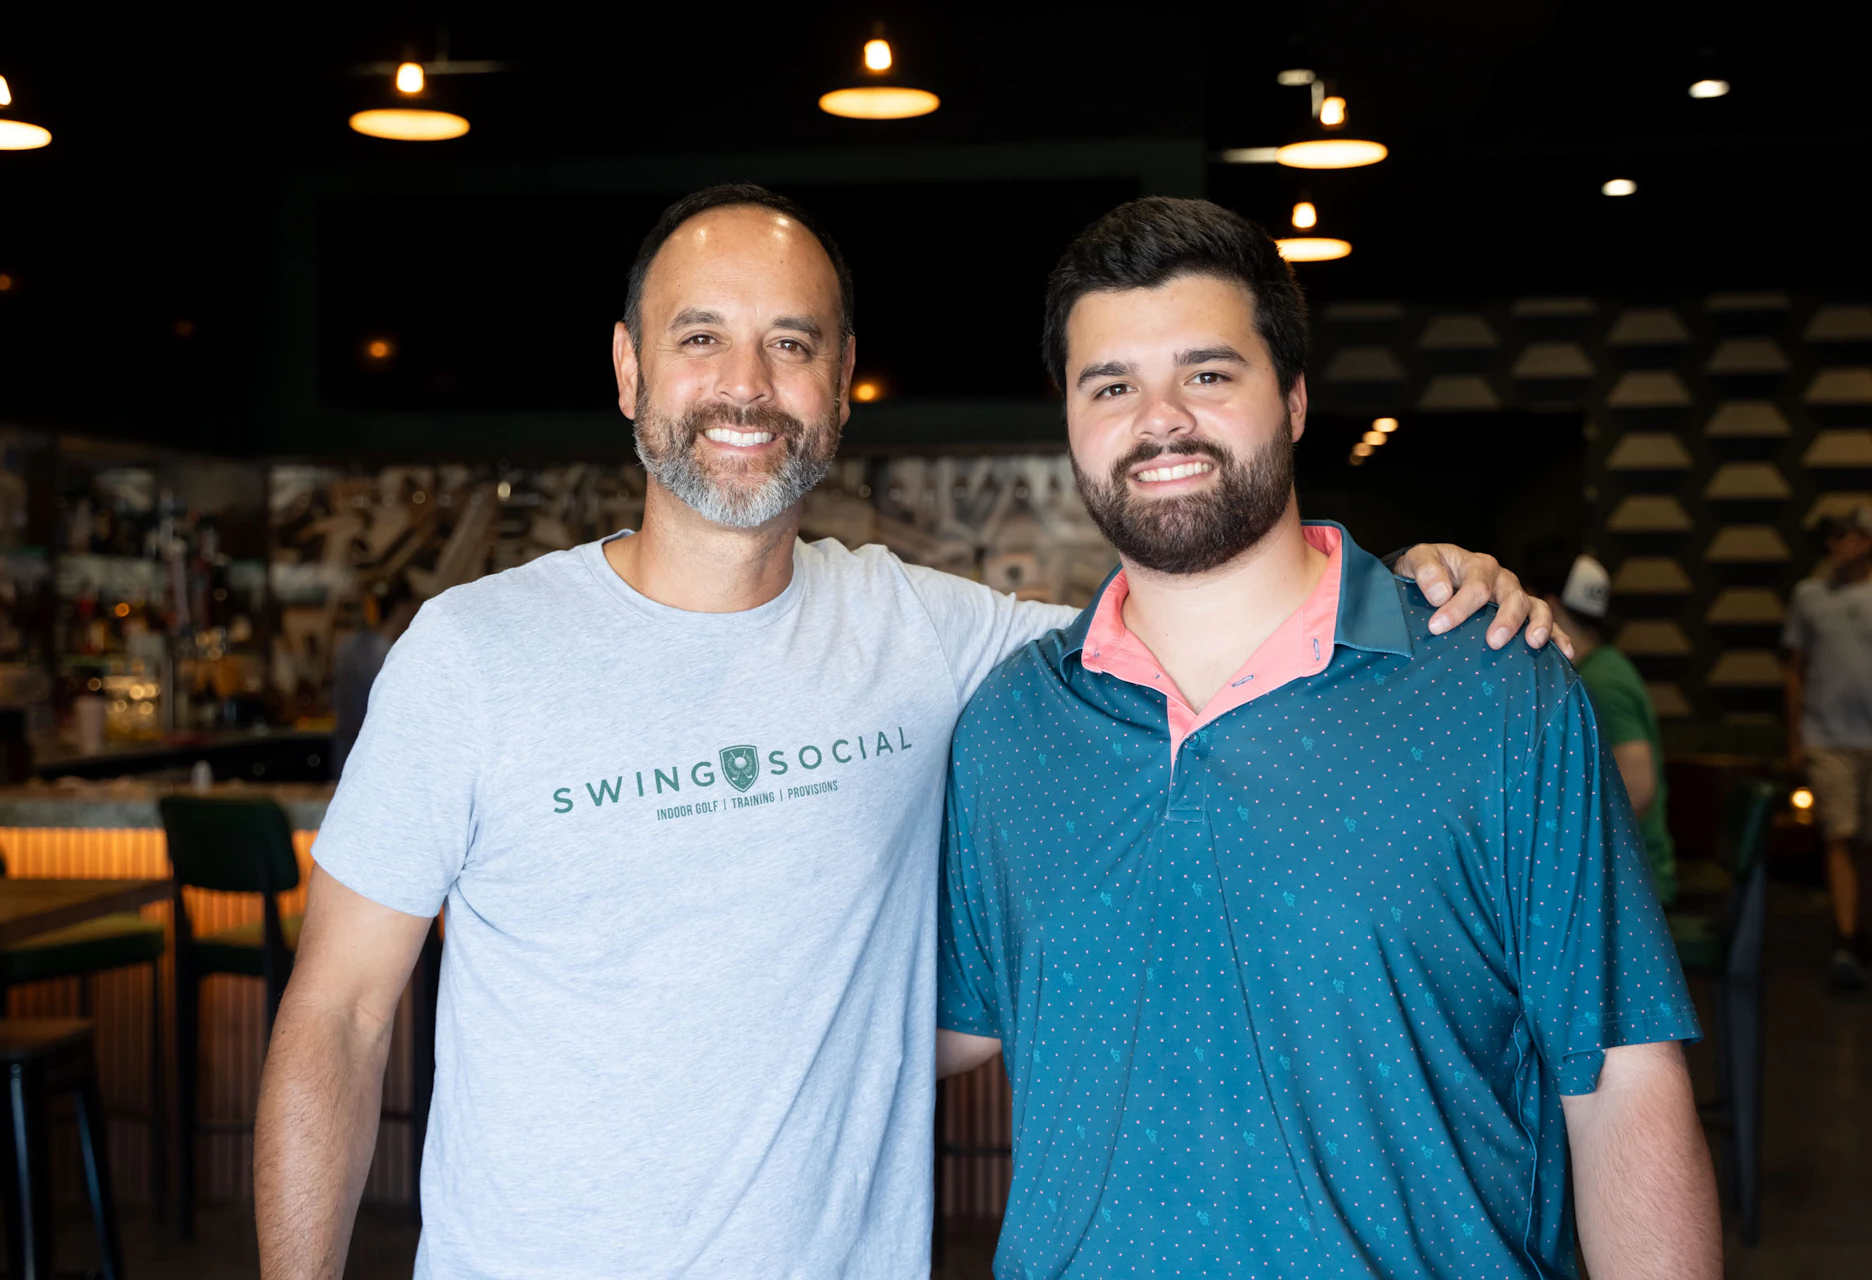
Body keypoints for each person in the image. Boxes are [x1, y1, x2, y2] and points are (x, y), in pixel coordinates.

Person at [252, 183, 1561, 1280]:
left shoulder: (931, 639)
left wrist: (1416, 584)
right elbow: (339, 1017)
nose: (746, 385)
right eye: (700, 337)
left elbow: (1205, 615)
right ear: (628, 367)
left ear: (840, 384)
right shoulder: (474, 655)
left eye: (792, 343)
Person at [936, 197, 1718, 1279]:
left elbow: (1624, 1077)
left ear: (1295, 399)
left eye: (1208, 373)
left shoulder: (1496, 687)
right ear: (1069, 419)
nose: (1161, 420)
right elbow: (939, 1023)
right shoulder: (1011, 723)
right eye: (1110, 385)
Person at [1784, 506, 1872, 990]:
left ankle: (1864, 933)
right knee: (1839, 833)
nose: (1837, 544)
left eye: (1847, 535)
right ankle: (1846, 939)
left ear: (1870, 540)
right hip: (1827, 736)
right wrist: (1796, 739)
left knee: (1869, 842)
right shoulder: (1810, 596)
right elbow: (1795, 669)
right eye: (1832, 536)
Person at [1523, 547, 1676, 905]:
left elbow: (1637, 789)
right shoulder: (1602, 667)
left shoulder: (1601, 680)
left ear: (1550, 605)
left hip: (1628, 887)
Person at [329, 577, 421, 774]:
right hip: (374, 757)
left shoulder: (348, 645)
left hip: (346, 753)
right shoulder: (391, 655)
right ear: (401, 607)